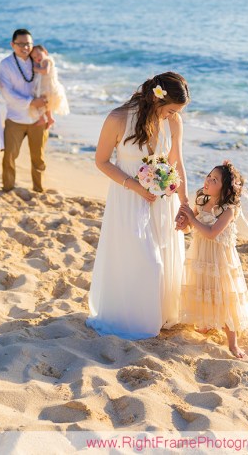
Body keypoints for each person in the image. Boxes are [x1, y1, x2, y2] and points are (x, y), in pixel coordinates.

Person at [86, 72, 190, 340]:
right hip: (129, 198)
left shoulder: (174, 121)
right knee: (146, 262)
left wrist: (184, 203)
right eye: (170, 110)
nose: (172, 116)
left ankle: (158, 315)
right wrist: (135, 186)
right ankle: (135, 320)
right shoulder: (118, 118)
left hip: (162, 201)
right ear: (157, 99)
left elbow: (176, 162)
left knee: (164, 260)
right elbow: (101, 161)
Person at [178, 160, 248, 359]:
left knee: (224, 295)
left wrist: (192, 218)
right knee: (204, 287)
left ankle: (233, 343)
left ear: (225, 188)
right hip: (201, 255)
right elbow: (190, 228)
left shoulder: (227, 210)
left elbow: (212, 233)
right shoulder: (201, 200)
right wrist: (183, 223)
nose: (208, 181)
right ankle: (207, 323)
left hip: (220, 260)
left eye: (214, 180)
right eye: (208, 176)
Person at [0, 29, 49, 193]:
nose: (25, 47)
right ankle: (8, 188)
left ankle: (38, 189)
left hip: (37, 119)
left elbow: (49, 85)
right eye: (21, 44)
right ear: (12, 45)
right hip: (15, 118)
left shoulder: (39, 61)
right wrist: (32, 102)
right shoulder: (6, 65)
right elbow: (7, 93)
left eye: (28, 44)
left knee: (38, 158)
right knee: (10, 156)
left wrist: (48, 112)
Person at [29, 44, 70, 129]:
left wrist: (35, 69)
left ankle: (42, 118)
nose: (37, 58)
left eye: (38, 54)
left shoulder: (46, 60)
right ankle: (50, 118)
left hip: (48, 87)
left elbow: (45, 71)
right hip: (47, 86)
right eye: (34, 57)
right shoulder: (41, 61)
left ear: (45, 52)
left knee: (39, 101)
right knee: (46, 105)